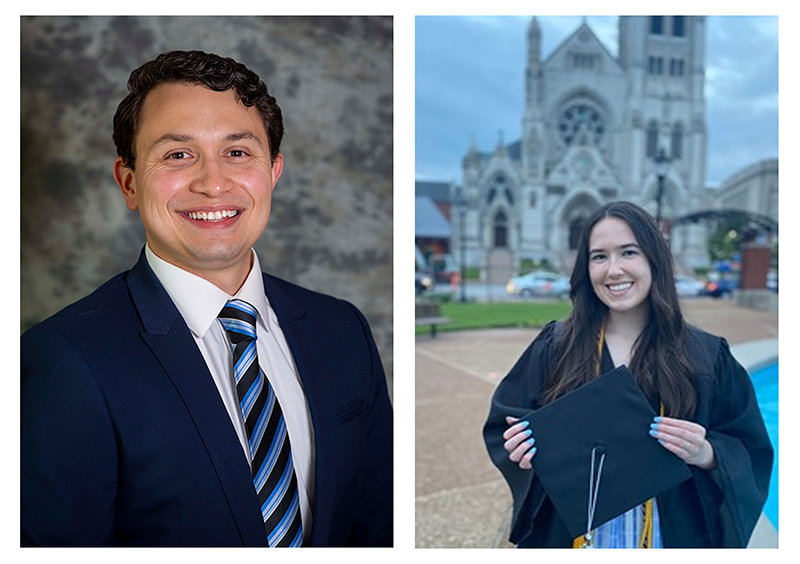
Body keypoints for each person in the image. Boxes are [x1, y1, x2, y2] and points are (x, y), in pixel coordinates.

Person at [21, 50, 393, 547]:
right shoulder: (62, 360)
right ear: (129, 182)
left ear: (274, 171)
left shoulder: (342, 328)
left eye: (237, 153)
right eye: (178, 154)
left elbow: (378, 528)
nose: (213, 183)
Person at [483, 201, 772, 548]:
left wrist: (707, 454)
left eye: (628, 252)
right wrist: (520, 449)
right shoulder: (556, 346)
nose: (613, 270)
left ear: (654, 259)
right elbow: (506, 423)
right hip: (574, 538)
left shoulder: (706, 356)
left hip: (667, 537)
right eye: (599, 256)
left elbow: (749, 446)